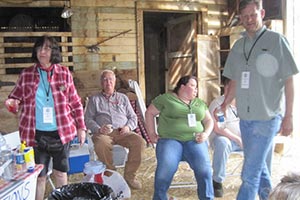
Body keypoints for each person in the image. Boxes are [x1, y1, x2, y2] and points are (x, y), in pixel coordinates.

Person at [218, 0, 299, 199]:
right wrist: (226, 103)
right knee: (260, 169)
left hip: (267, 118)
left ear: (262, 13)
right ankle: (268, 196)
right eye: (244, 17)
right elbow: (235, 79)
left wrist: (288, 116)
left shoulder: (276, 41)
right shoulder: (239, 46)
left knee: (249, 175)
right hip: (245, 119)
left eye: (253, 15)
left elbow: (289, 81)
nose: (249, 20)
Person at [6, 35, 86, 200]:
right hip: (35, 135)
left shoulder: (64, 73)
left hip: (61, 133)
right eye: (39, 48)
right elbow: (15, 97)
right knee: (39, 176)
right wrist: (12, 102)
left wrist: (81, 127)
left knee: (61, 174)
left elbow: (76, 102)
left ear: (54, 51)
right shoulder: (26, 74)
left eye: (47, 48)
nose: (42, 52)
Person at [145, 75, 214, 200]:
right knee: (166, 169)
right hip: (170, 140)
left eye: (197, 87)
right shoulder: (166, 99)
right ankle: (160, 197)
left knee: (205, 170)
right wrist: (151, 133)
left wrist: (205, 134)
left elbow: (209, 120)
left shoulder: (199, 103)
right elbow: (149, 112)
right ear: (182, 86)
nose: (196, 90)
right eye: (193, 86)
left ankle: (207, 198)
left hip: (194, 140)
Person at [84, 69, 145, 190]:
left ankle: (130, 176)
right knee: (101, 143)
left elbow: (133, 117)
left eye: (110, 79)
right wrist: (99, 128)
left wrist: (128, 127)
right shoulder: (94, 99)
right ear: (101, 82)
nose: (108, 82)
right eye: (105, 79)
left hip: (123, 132)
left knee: (139, 142)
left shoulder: (123, 98)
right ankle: (111, 174)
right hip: (103, 133)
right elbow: (88, 119)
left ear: (115, 81)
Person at [208, 76, 242, 197]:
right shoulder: (218, 104)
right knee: (223, 142)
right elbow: (219, 128)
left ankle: (254, 179)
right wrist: (237, 139)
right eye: (231, 86)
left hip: (243, 140)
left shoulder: (244, 102)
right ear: (226, 87)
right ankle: (217, 181)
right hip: (225, 139)